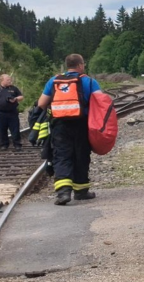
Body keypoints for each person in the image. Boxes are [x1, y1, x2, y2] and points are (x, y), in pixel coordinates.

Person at [36, 54, 101, 205]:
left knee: (61, 155)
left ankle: (63, 193)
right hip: (82, 124)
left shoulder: (53, 81)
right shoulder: (89, 81)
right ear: (80, 65)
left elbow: (41, 103)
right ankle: (81, 191)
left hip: (59, 125)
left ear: (67, 66)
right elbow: (101, 102)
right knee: (81, 155)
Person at [0, 74, 23, 150]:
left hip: (12, 112)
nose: (10, 81)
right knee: (2, 129)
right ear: (2, 80)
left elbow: (21, 97)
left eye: (10, 79)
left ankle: (17, 144)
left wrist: (16, 98)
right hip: (1, 113)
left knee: (15, 129)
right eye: (7, 80)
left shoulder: (13, 88)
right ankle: (4, 145)